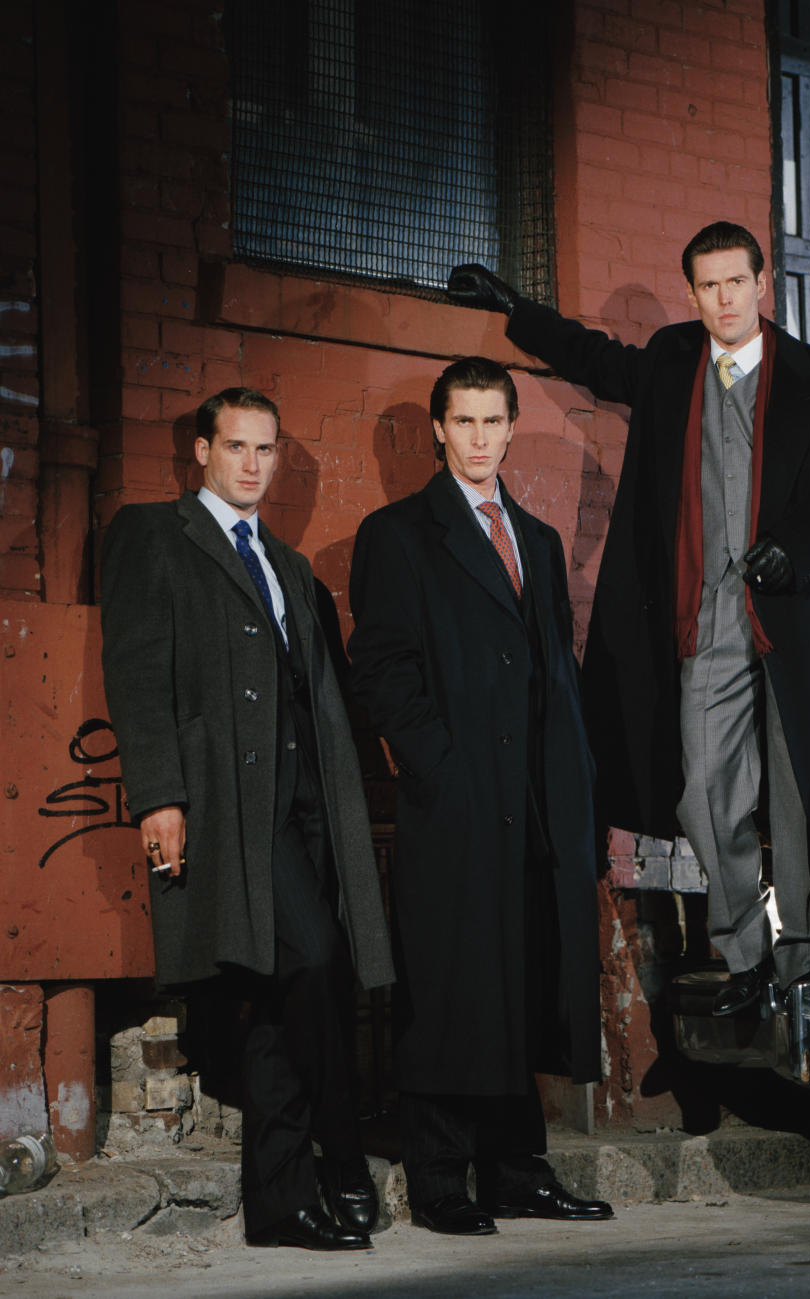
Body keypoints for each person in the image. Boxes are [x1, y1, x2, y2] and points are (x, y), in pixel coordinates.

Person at [446, 222, 810, 1015]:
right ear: (692, 293)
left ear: (763, 284)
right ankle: (748, 955)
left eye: (734, 283)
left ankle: (808, 960)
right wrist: (516, 308)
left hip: (789, 614)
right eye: (707, 286)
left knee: (800, 794)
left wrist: (800, 545)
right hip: (708, 613)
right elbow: (593, 359)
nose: (722, 299)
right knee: (703, 787)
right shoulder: (674, 362)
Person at [100, 387, 394, 1251]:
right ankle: (338, 1152)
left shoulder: (290, 566)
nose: (253, 465)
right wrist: (159, 795)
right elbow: (138, 674)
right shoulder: (154, 536)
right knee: (313, 962)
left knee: (282, 990)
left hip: (305, 807)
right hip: (231, 807)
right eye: (236, 447)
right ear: (201, 450)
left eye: (266, 450)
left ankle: (278, 1202)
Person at [348, 357, 612, 1237]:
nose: (480, 439)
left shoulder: (533, 539)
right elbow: (382, 669)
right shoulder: (399, 534)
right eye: (463, 422)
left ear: (507, 426)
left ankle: (518, 1169)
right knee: (455, 982)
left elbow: (554, 676)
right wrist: (442, 768)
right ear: (438, 428)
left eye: (494, 422)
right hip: (458, 797)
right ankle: (439, 1175)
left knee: (526, 978)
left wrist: (571, 791)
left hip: (536, 799)